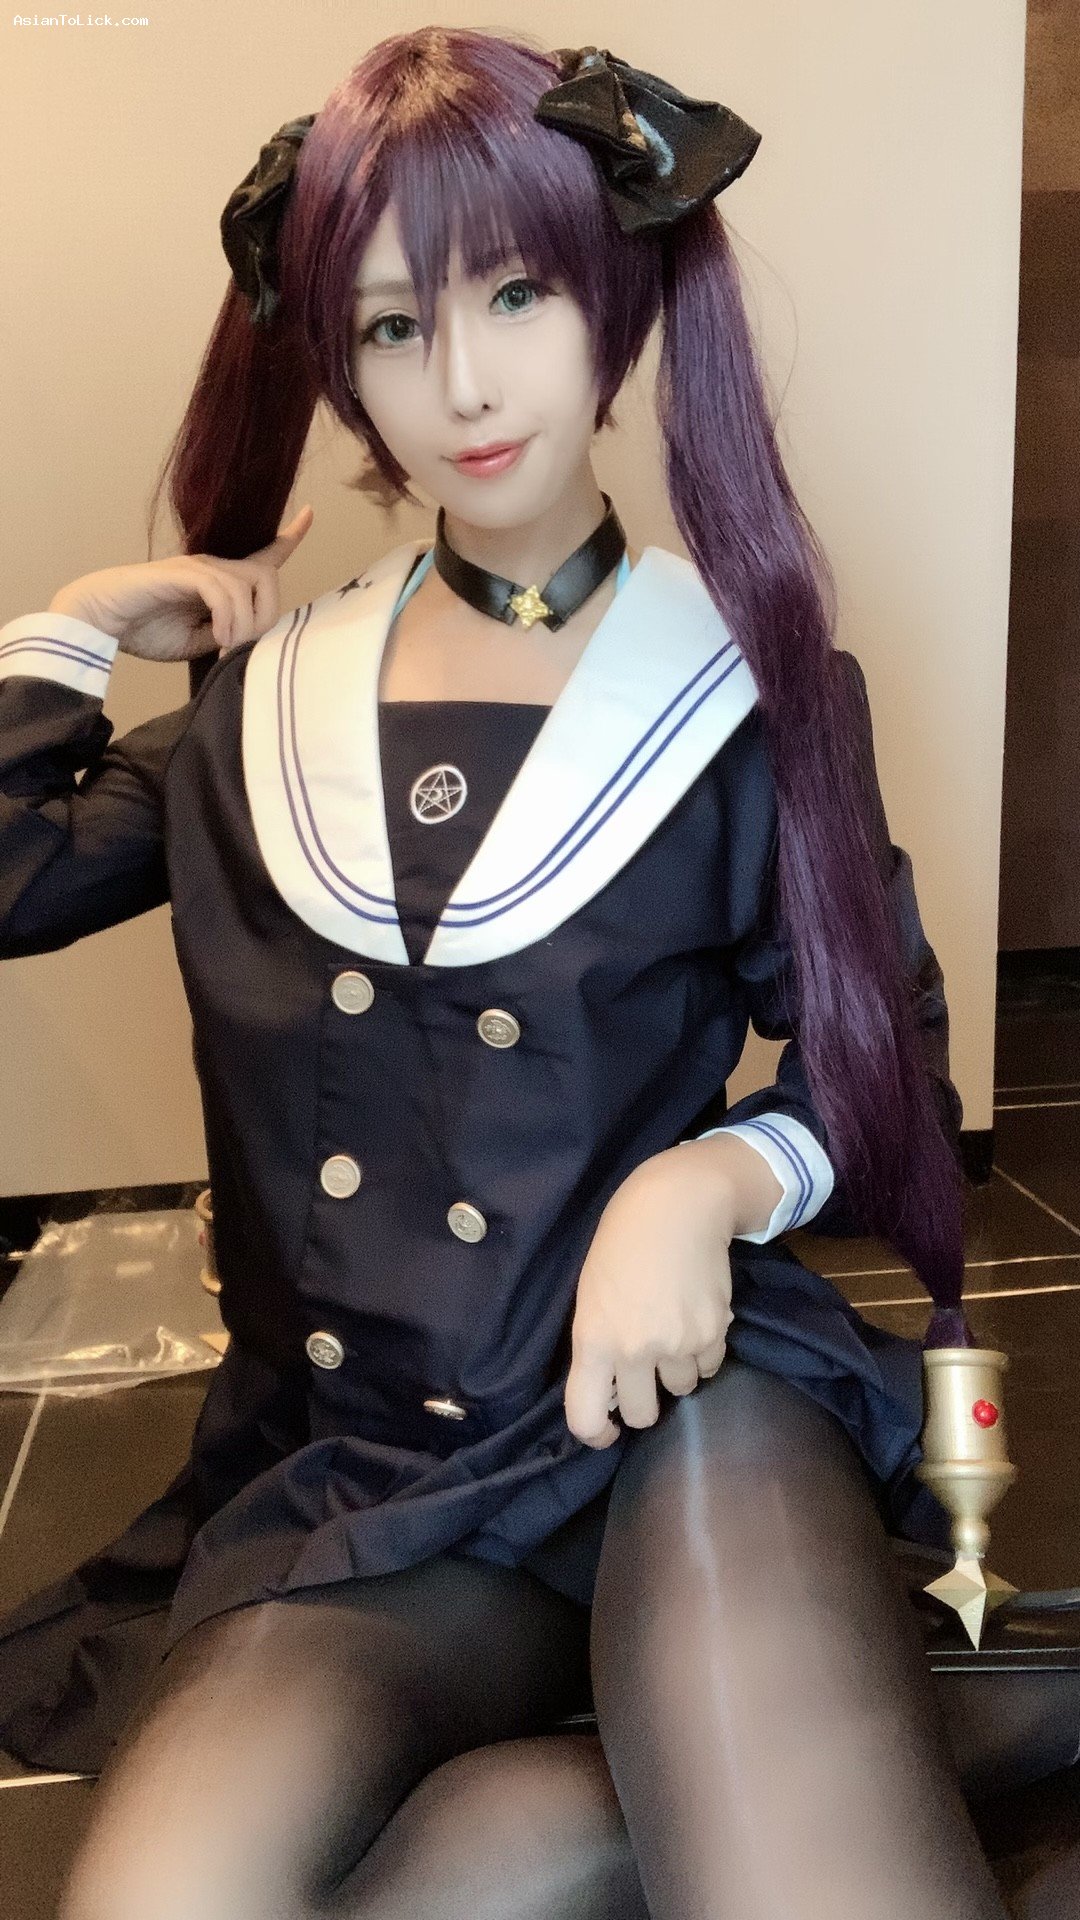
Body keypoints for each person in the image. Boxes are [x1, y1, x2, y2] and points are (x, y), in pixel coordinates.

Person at [0, 26, 1076, 1919]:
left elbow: (885, 1072)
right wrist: (79, 631)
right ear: (337, 361)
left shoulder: (747, 694)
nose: (466, 383)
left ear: (616, 302)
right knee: (182, 1893)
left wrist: (702, 1183)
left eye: (516, 295)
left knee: (787, 1862)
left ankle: (779, 1732)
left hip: (679, 1398)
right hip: (380, 1479)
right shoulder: (263, 710)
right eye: (393, 324)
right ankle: (935, 1727)